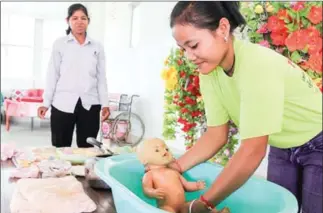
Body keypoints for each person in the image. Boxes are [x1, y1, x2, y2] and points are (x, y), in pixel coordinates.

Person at [161, 2, 322, 213]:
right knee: (280, 207)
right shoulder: (209, 72)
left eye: (194, 45)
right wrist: (175, 168)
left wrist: (203, 204)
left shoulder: (258, 65)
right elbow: (216, 134)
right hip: (283, 145)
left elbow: (252, 151)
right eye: (183, 49)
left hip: (319, 142)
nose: (189, 57)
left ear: (223, 29)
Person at [38, 3, 110, 148]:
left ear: (88, 21)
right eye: (75, 18)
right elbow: (52, 74)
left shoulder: (97, 46)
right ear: (68, 20)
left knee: (88, 148)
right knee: (60, 147)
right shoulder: (60, 44)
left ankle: (85, 171)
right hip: (62, 103)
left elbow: (101, 77)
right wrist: (46, 103)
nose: (79, 22)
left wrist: (105, 104)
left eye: (83, 18)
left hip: (90, 104)